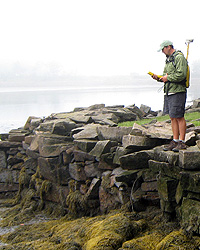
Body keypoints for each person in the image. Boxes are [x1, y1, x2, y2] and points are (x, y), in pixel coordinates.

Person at [152, 40, 188, 152]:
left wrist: (167, 78)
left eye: (163, 49)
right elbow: (166, 76)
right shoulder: (168, 60)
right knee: (172, 117)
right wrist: (159, 78)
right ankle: (175, 140)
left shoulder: (179, 58)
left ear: (168, 47)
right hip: (169, 91)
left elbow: (181, 74)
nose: (162, 52)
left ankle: (182, 142)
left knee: (179, 117)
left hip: (178, 91)